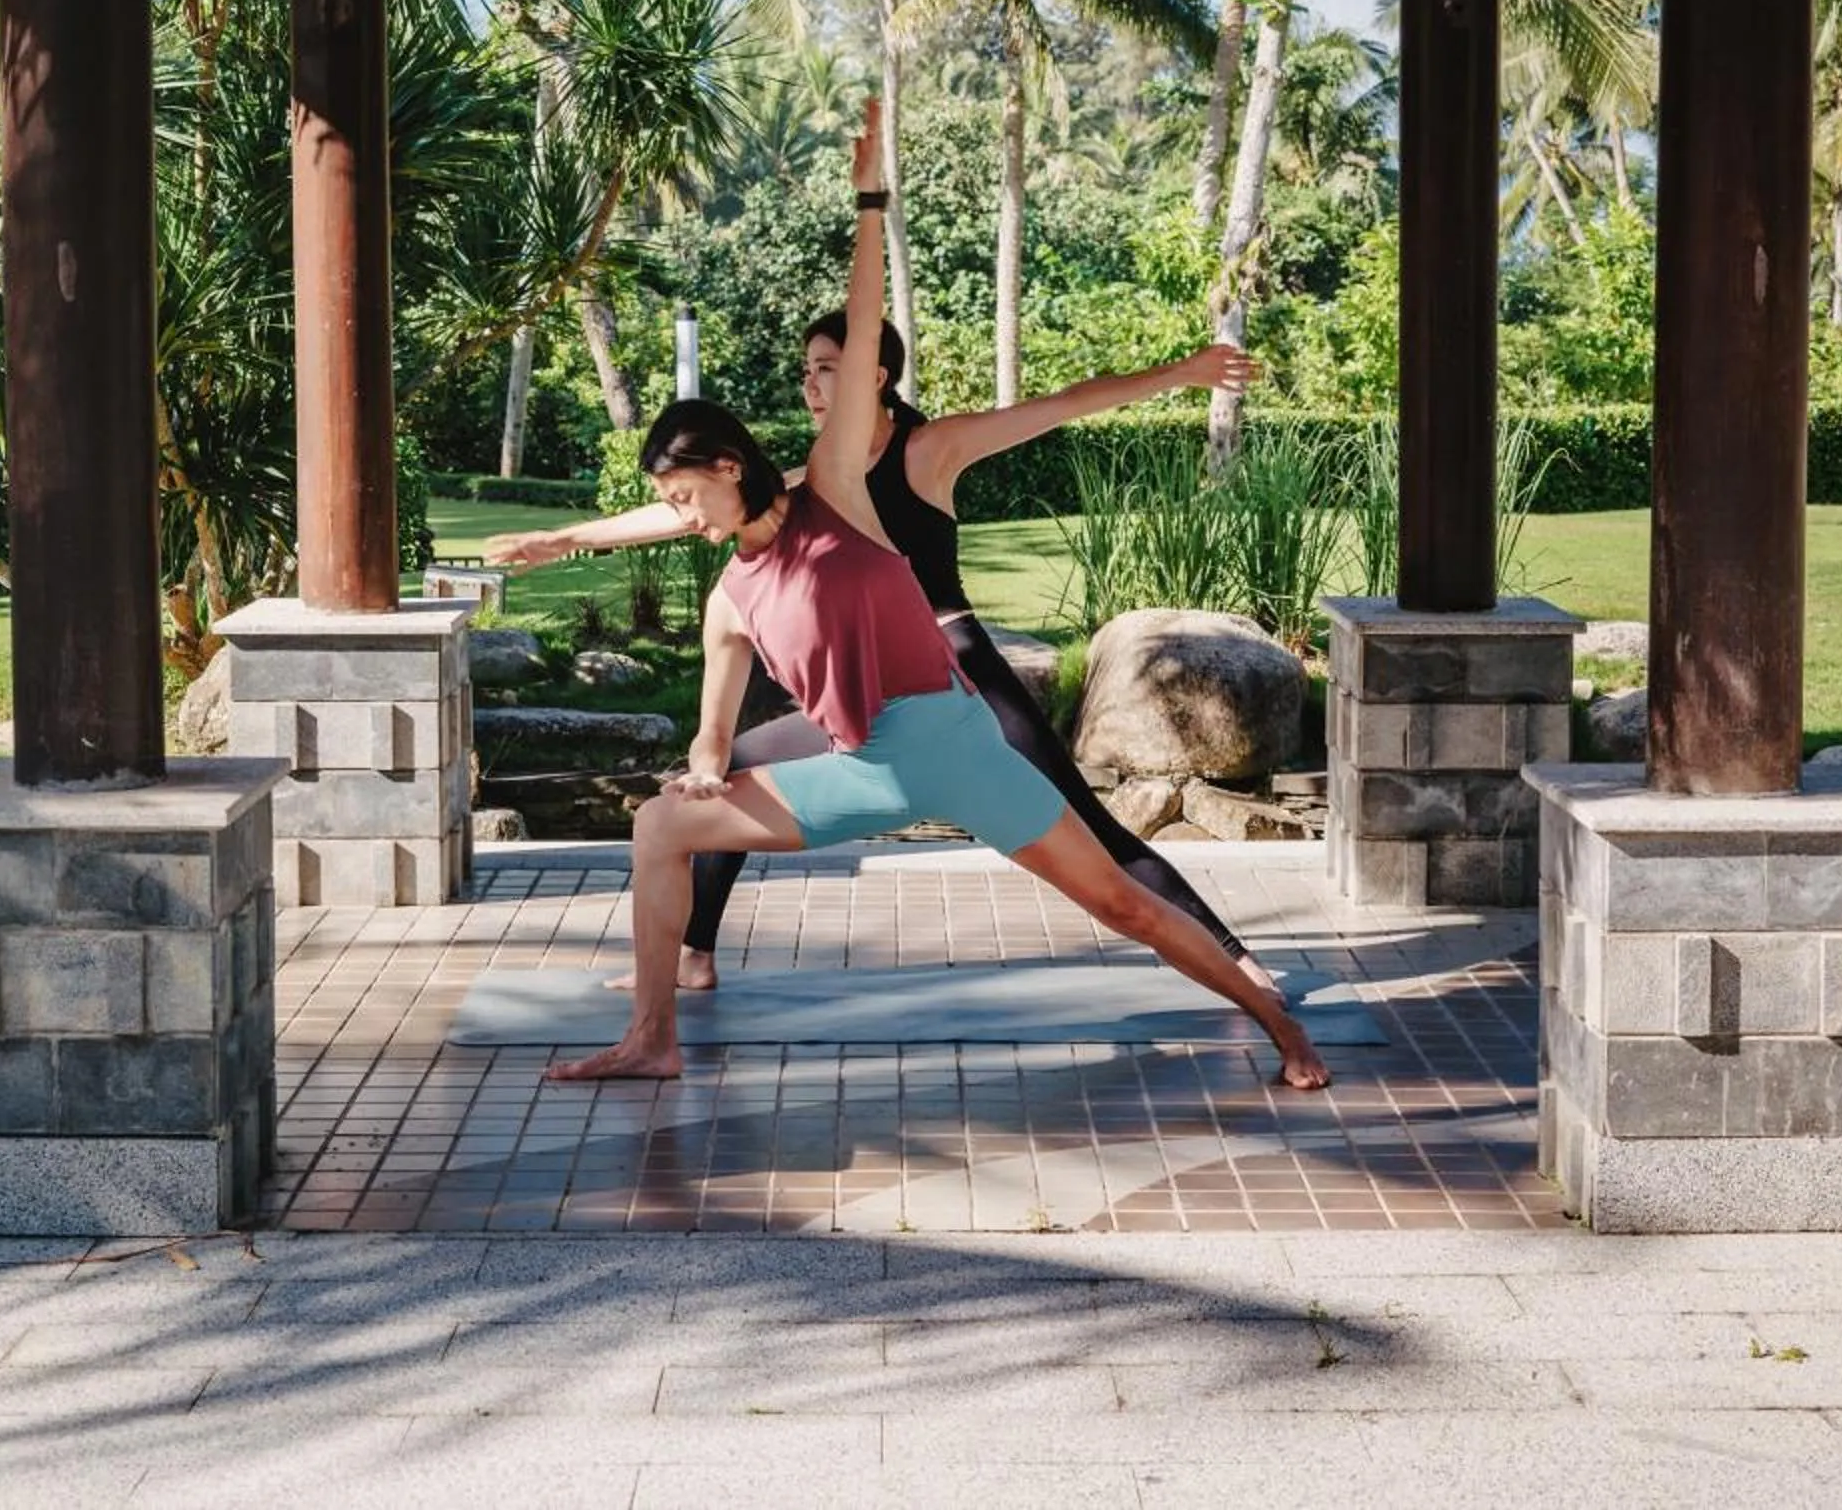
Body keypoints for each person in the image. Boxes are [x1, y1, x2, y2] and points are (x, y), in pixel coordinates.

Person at [494, 100, 1330, 1093]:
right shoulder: (733, 591)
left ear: (729, 466)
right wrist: (703, 754)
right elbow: (713, 725)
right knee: (663, 822)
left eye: (686, 494)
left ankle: (1278, 1021)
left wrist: (871, 202)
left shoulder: (842, 482)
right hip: (867, 768)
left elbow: (878, 332)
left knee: (1120, 901)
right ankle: (654, 1031)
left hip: (959, 736)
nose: (682, 515)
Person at [493, 319, 1276, 1001]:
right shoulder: (819, 472)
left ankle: (1237, 961)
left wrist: (1183, 374)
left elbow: (1064, 404)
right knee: (724, 772)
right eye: (804, 369)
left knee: (1095, 834)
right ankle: (693, 954)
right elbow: (680, 510)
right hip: (872, 699)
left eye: (826, 366)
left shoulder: (929, 449)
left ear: (874, 373)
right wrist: (563, 539)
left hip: (958, 675)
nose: (809, 382)